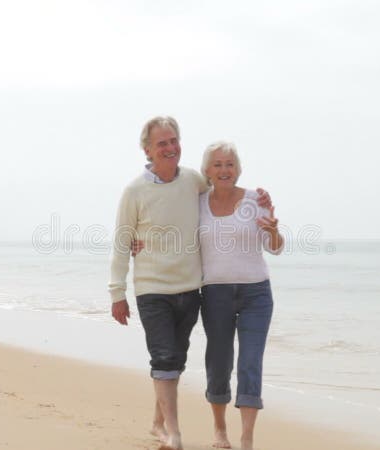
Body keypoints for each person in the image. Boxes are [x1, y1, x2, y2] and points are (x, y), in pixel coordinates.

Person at [109, 117, 271, 450]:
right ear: (147, 150)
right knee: (166, 358)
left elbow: (224, 193)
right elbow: (122, 240)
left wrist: (261, 203)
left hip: (190, 289)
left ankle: (159, 422)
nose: (170, 148)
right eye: (162, 143)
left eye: (174, 141)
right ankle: (174, 434)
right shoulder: (134, 191)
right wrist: (117, 292)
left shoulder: (194, 182)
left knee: (175, 359)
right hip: (153, 288)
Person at [198, 141, 283, 450]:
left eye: (230, 164)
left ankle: (246, 437)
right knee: (219, 362)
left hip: (256, 293)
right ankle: (220, 430)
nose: (224, 170)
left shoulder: (254, 200)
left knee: (250, 362)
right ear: (207, 170)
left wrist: (273, 230)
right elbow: (173, 232)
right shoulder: (197, 202)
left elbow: (275, 247)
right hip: (215, 293)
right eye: (218, 164)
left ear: (238, 168)